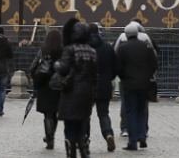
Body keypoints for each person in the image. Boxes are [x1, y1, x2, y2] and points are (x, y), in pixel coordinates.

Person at [56, 19, 98, 158]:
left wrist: (56, 65)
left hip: (71, 91)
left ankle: (71, 153)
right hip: (87, 91)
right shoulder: (92, 51)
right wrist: (93, 95)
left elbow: (63, 69)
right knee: (81, 124)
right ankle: (85, 153)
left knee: (70, 126)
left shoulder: (70, 49)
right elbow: (94, 76)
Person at [115, 22, 157, 151]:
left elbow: (118, 67)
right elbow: (154, 63)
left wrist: (123, 78)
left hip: (129, 84)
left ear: (126, 35)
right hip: (144, 84)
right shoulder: (146, 46)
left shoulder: (122, 48)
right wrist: (147, 75)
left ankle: (132, 142)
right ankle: (142, 135)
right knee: (141, 110)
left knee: (131, 112)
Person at [32, 28, 63, 150]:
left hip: (44, 84)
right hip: (57, 85)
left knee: (47, 114)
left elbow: (33, 66)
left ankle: (49, 137)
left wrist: (36, 79)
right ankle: (51, 135)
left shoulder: (43, 51)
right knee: (54, 112)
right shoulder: (62, 51)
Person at [88, 23, 117, 152]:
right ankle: (108, 134)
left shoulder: (84, 47)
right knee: (103, 113)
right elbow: (115, 67)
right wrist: (108, 78)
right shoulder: (107, 48)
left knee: (85, 114)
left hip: (87, 86)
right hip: (104, 85)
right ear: (99, 33)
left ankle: (84, 137)